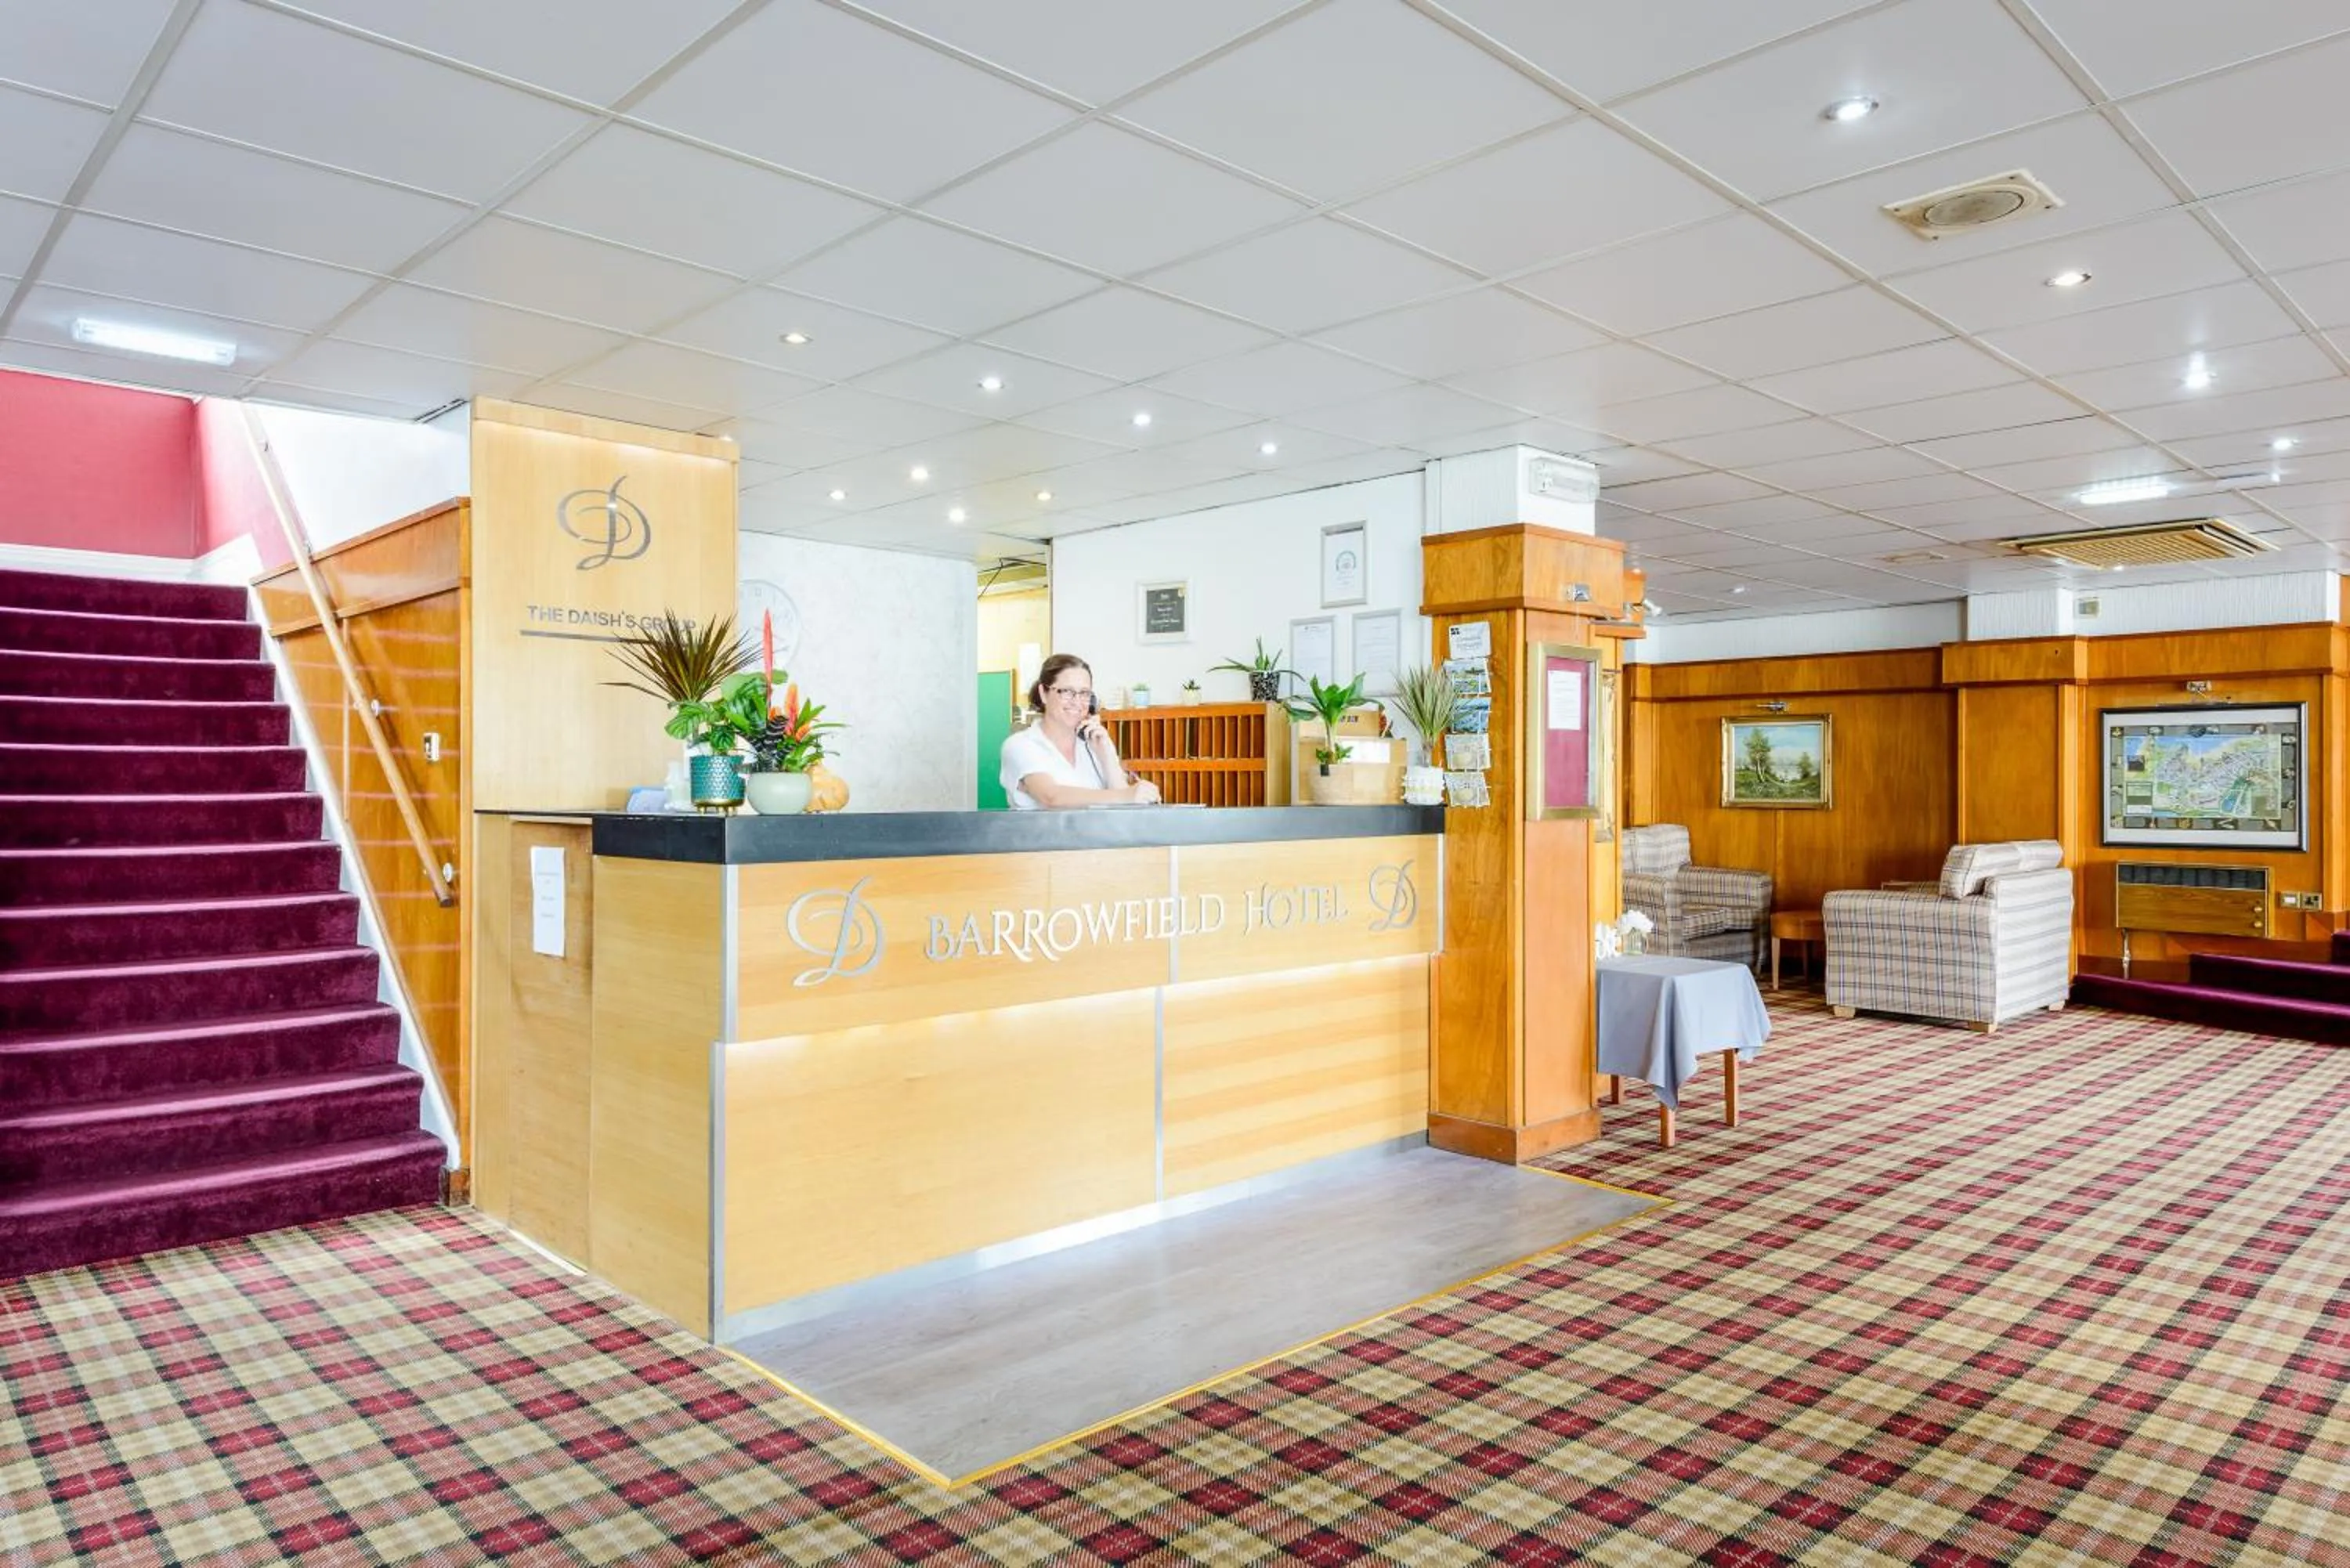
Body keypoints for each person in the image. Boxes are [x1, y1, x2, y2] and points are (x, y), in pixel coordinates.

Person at [1002, 653, 1162, 809]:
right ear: (1043, 693)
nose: (1077, 702)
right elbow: (1051, 796)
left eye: (1084, 693)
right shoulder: (1020, 745)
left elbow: (1124, 812)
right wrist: (1127, 795)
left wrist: (1108, 756)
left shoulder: (1091, 747)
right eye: (1066, 692)